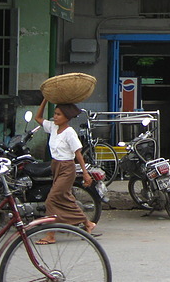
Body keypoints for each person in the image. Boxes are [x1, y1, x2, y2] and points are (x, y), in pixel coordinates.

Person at [34, 97, 96, 243]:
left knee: (51, 200)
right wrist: (44, 100)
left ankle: (50, 235)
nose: (55, 117)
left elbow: (78, 154)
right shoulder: (53, 128)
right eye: (55, 114)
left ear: (66, 117)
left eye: (59, 114)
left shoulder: (70, 132)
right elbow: (37, 118)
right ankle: (87, 223)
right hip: (55, 166)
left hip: (67, 168)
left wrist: (85, 174)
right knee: (66, 198)